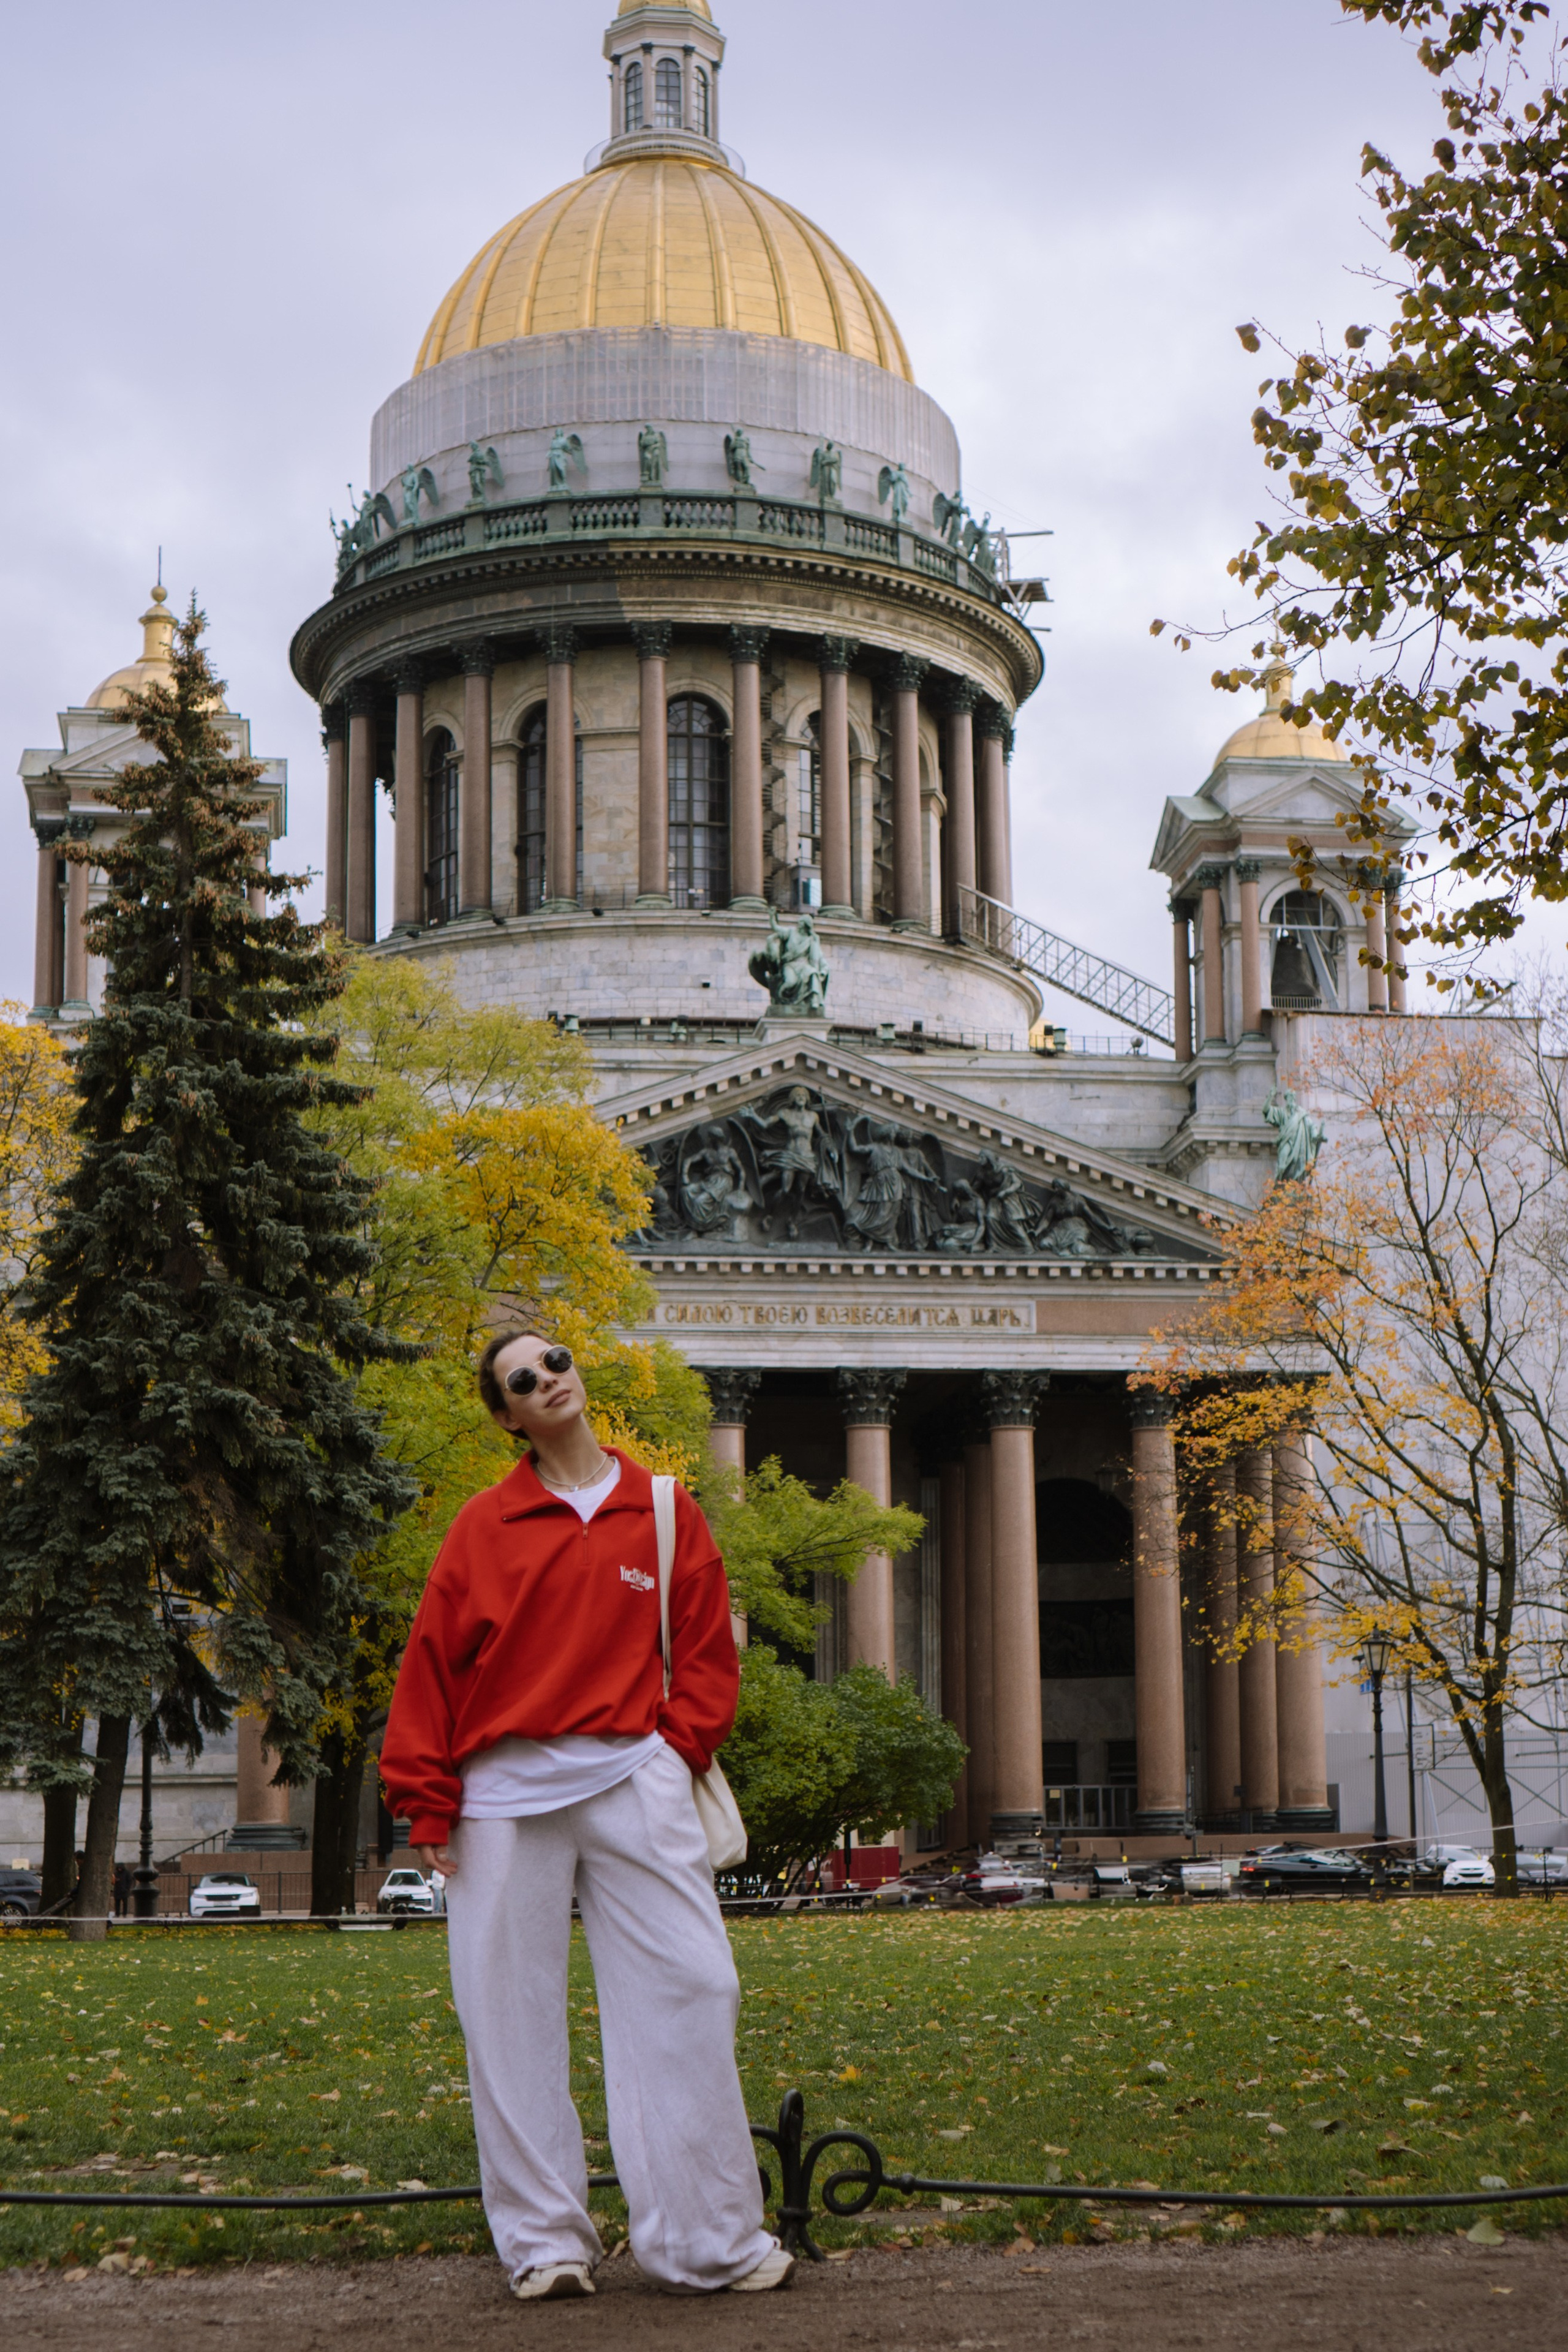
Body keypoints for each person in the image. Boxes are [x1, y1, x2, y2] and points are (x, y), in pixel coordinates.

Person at [379, 1329, 789, 2304]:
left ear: (577, 1374)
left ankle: (708, 2241)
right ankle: (546, 2244)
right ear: (508, 1415)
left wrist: (675, 1751)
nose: (549, 1379)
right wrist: (424, 1798)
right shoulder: (482, 1527)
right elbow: (431, 1666)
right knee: (507, 2024)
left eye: (556, 1360)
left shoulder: (662, 1506)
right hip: (503, 1801)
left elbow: (704, 1650)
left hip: (633, 1780)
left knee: (696, 1990)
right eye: (524, 1379)